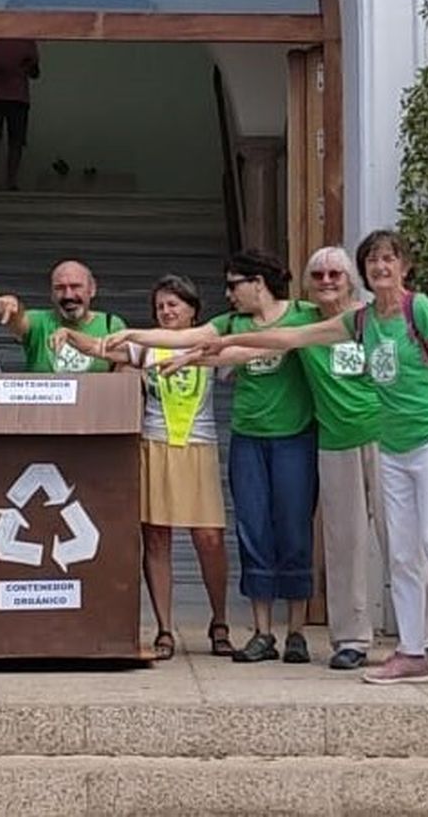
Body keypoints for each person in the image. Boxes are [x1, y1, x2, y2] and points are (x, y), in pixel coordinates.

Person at [194, 230, 428, 691]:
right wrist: (209, 349)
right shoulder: (359, 322)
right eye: (372, 261)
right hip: (379, 445)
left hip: (427, 440)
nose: (379, 268)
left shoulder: (418, 310)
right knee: (395, 550)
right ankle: (409, 652)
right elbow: (288, 336)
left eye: (387, 260)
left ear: (403, 266)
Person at [106, 249, 318, 665]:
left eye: (234, 284)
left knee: (293, 530)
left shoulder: (303, 315)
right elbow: (185, 337)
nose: (229, 293)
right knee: (253, 531)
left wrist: (200, 355)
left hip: (294, 435)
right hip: (247, 435)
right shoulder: (229, 322)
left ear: (258, 283)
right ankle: (261, 632)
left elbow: (255, 348)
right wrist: (136, 335)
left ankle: (296, 631)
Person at [52, 275, 231, 659]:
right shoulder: (146, 345)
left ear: (193, 310)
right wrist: (69, 337)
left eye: (174, 305)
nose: (167, 312)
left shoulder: (208, 342)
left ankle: (220, 621)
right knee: (156, 537)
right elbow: (102, 349)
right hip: (155, 443)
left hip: (199, 447)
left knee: (210, 539)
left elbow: (242, 351)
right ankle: (165, 628)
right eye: (161, 306)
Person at [297, 246, 428, 671]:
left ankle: (425, 634)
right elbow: (262, 334)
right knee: (344, 543)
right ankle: (351, 638)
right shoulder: (303, 322)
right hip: (335, 441)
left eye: (335, 275)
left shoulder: (368, 317)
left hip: (385, 438)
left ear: (350, 279)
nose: (327, 282)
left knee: (403, 538)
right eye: (318, 275)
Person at [0, 259, 125, 373]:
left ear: (92, 289)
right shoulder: (38, 321)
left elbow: (125, 368)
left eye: (75, 287)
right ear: (51, 293)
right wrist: (12, 307)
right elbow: (18, 322)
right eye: (60, 288)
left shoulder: (110, 324)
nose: (68, 295)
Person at [0, 37, 39, 190]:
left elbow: (36, 72)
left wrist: (28, 66)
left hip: (18, 96)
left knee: (16, 140)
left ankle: (12, 180)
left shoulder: (28, 41)